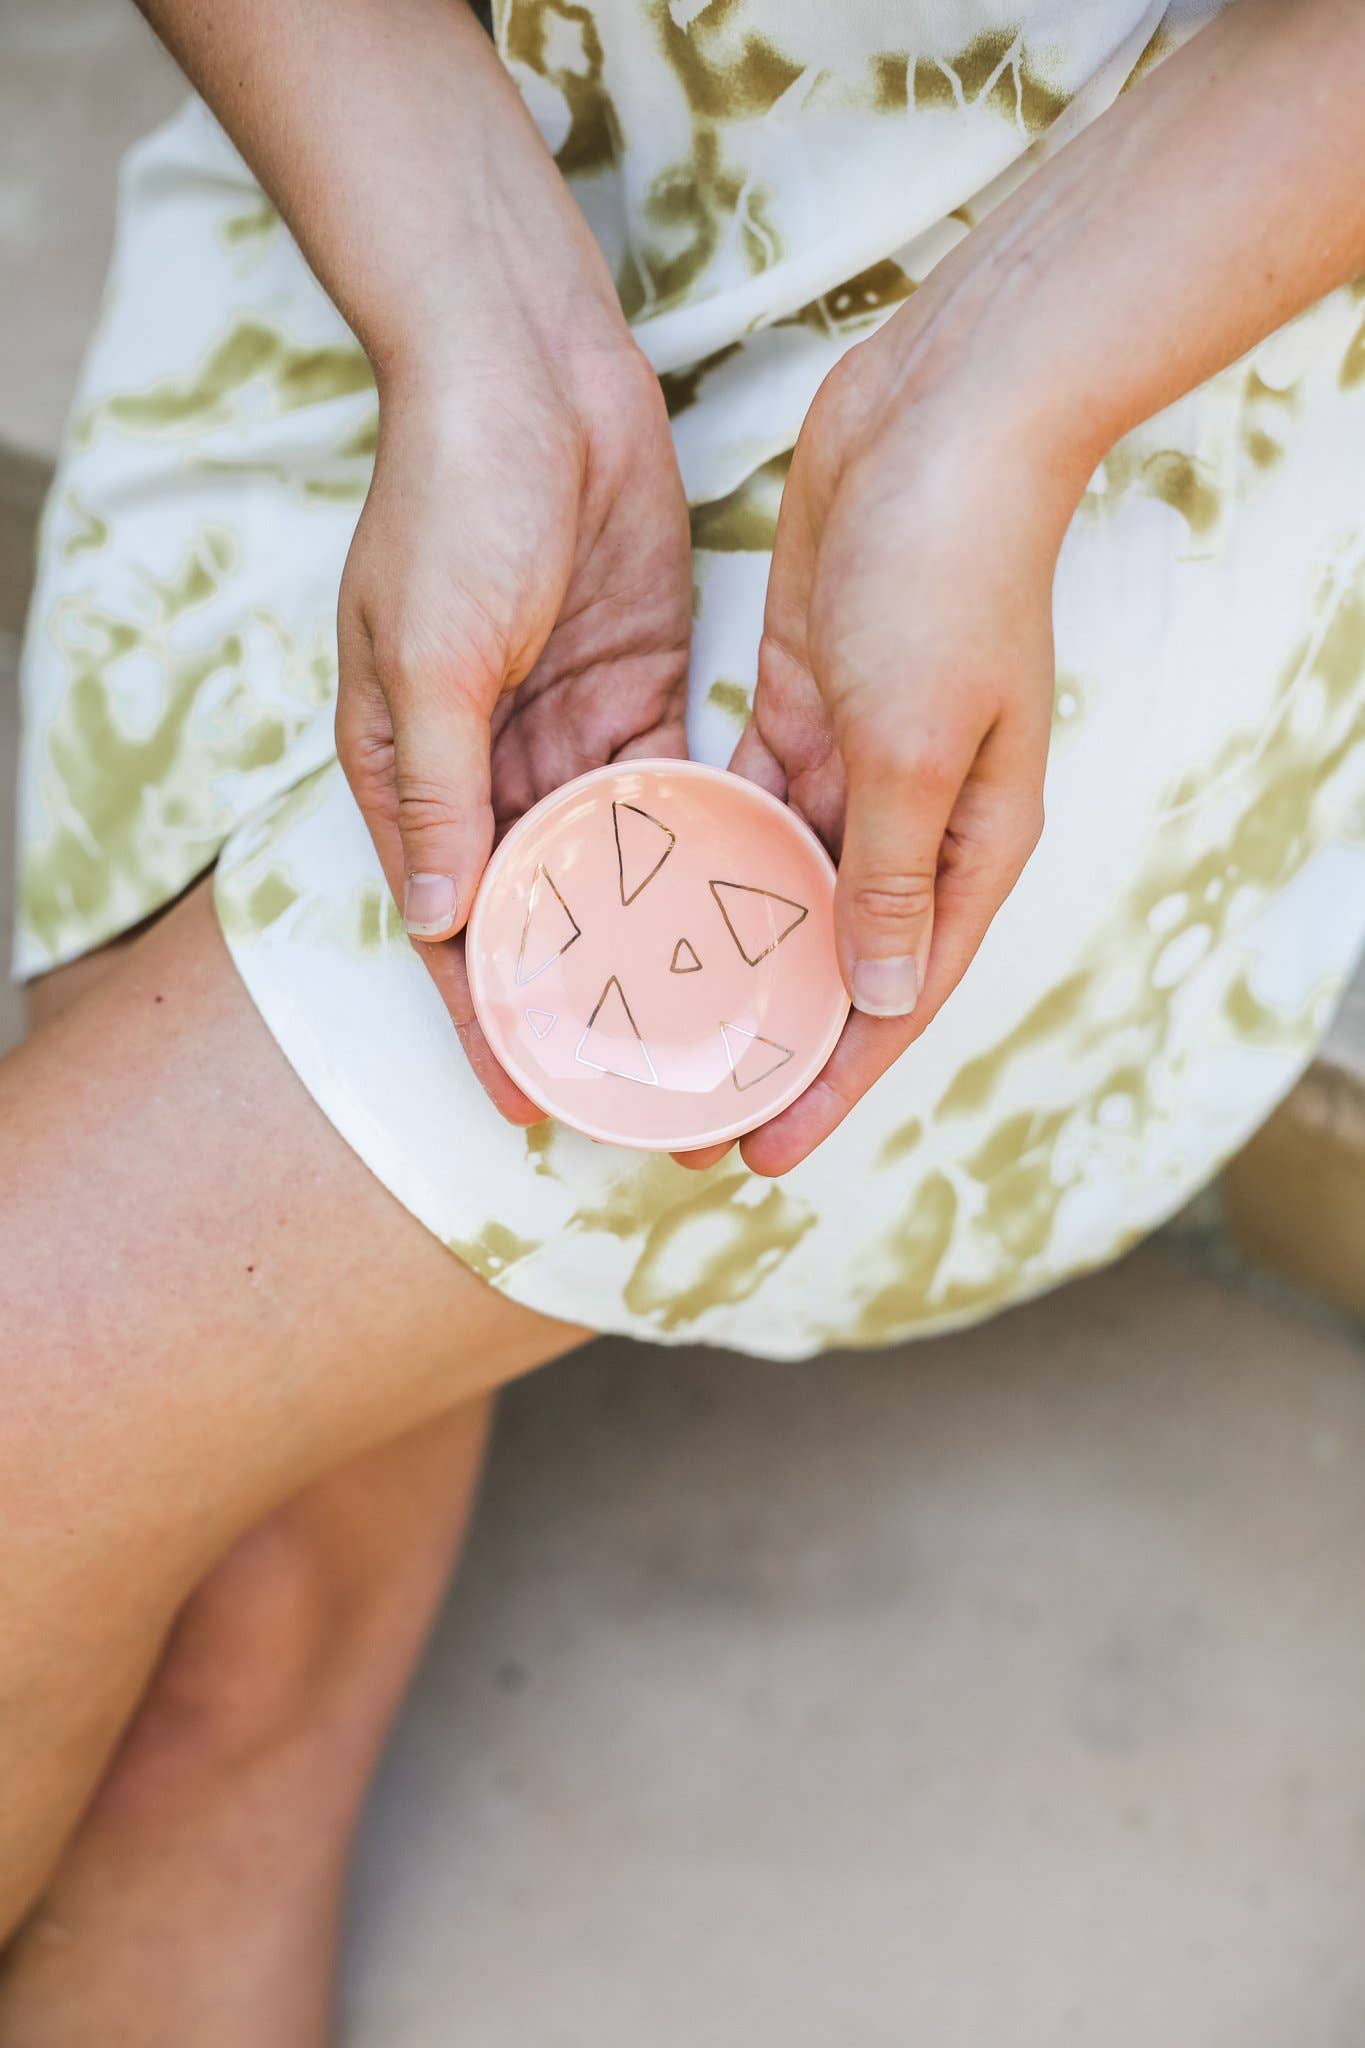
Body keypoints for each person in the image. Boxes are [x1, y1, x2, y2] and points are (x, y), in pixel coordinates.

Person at [3, 0, 1364, 2035]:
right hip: (409, 154)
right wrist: (461, 272)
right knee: (237, 1635)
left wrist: (982, 404)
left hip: (1120, 319)